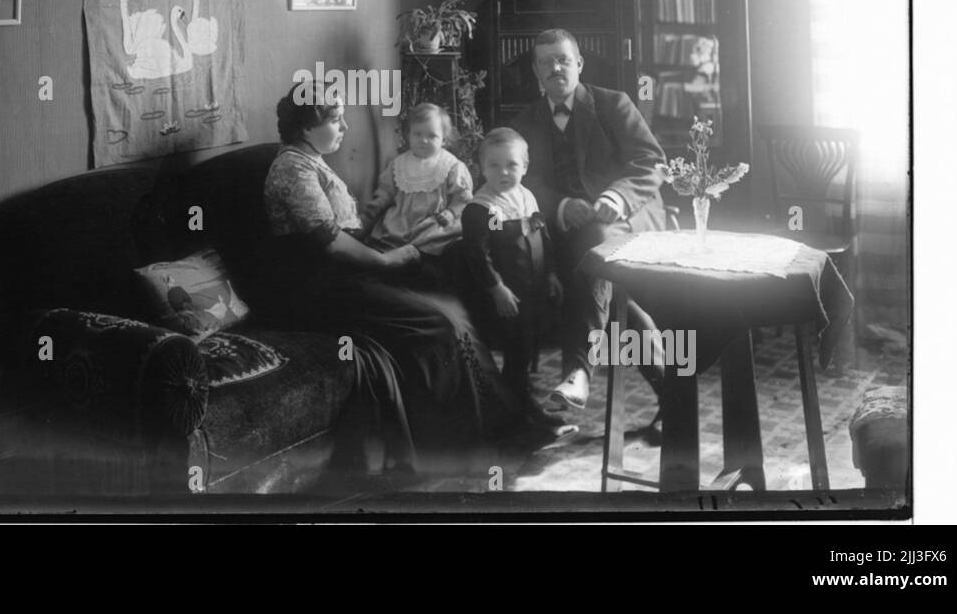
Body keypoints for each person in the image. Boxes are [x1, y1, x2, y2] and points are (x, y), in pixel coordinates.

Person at [262, 84, 522, 481]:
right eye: (335, 119)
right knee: (435, 321)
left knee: (449, 312)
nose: (345, 126)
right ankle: (454, 446)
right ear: (306, 126)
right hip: (317, 286)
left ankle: (491, 431)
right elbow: (330, 243)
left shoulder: (309, 159)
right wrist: (385, 259)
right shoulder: (292, 168)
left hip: (343, 275)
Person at [509, 29, 668, 413]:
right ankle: (674, 397)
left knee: (594, 241)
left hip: (624, 220)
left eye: (563, 59)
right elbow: (525, 180)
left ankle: (578, 371)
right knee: (609, 291)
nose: (555, 68)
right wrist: (561, 206)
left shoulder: (614, 104)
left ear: (579, 64)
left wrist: (616, 196)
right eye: (546, 62)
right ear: (536, 71)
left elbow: (651, 162)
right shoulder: (525, 121)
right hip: (565, 232)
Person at [459, 128, 568, 426]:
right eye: (493, 165)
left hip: (533, 286)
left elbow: (542, 237)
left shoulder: (526, 197)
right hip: (506, 292)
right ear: (481, 168)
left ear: (525, 167)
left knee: (528, 341)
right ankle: (519, 409)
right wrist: (497, 288)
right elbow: (479, 254)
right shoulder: (486, 208)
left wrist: (552, 275)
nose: (503, 172)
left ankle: (519, 397)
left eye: (512, 165)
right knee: (515, 347)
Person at [359, 103, 473, 256]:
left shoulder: (451, 166)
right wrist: (370, 213)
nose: (423, 140)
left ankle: (424, 259)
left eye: (431, 136)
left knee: (442, 244)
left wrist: (452, 212)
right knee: (385, 245)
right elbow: (385, 194)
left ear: (444, 140)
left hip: (434, 224)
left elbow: (462, 197)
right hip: (400, 225)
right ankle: (399, 258)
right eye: (417, 134)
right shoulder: (398, 165)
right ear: (409, 135)